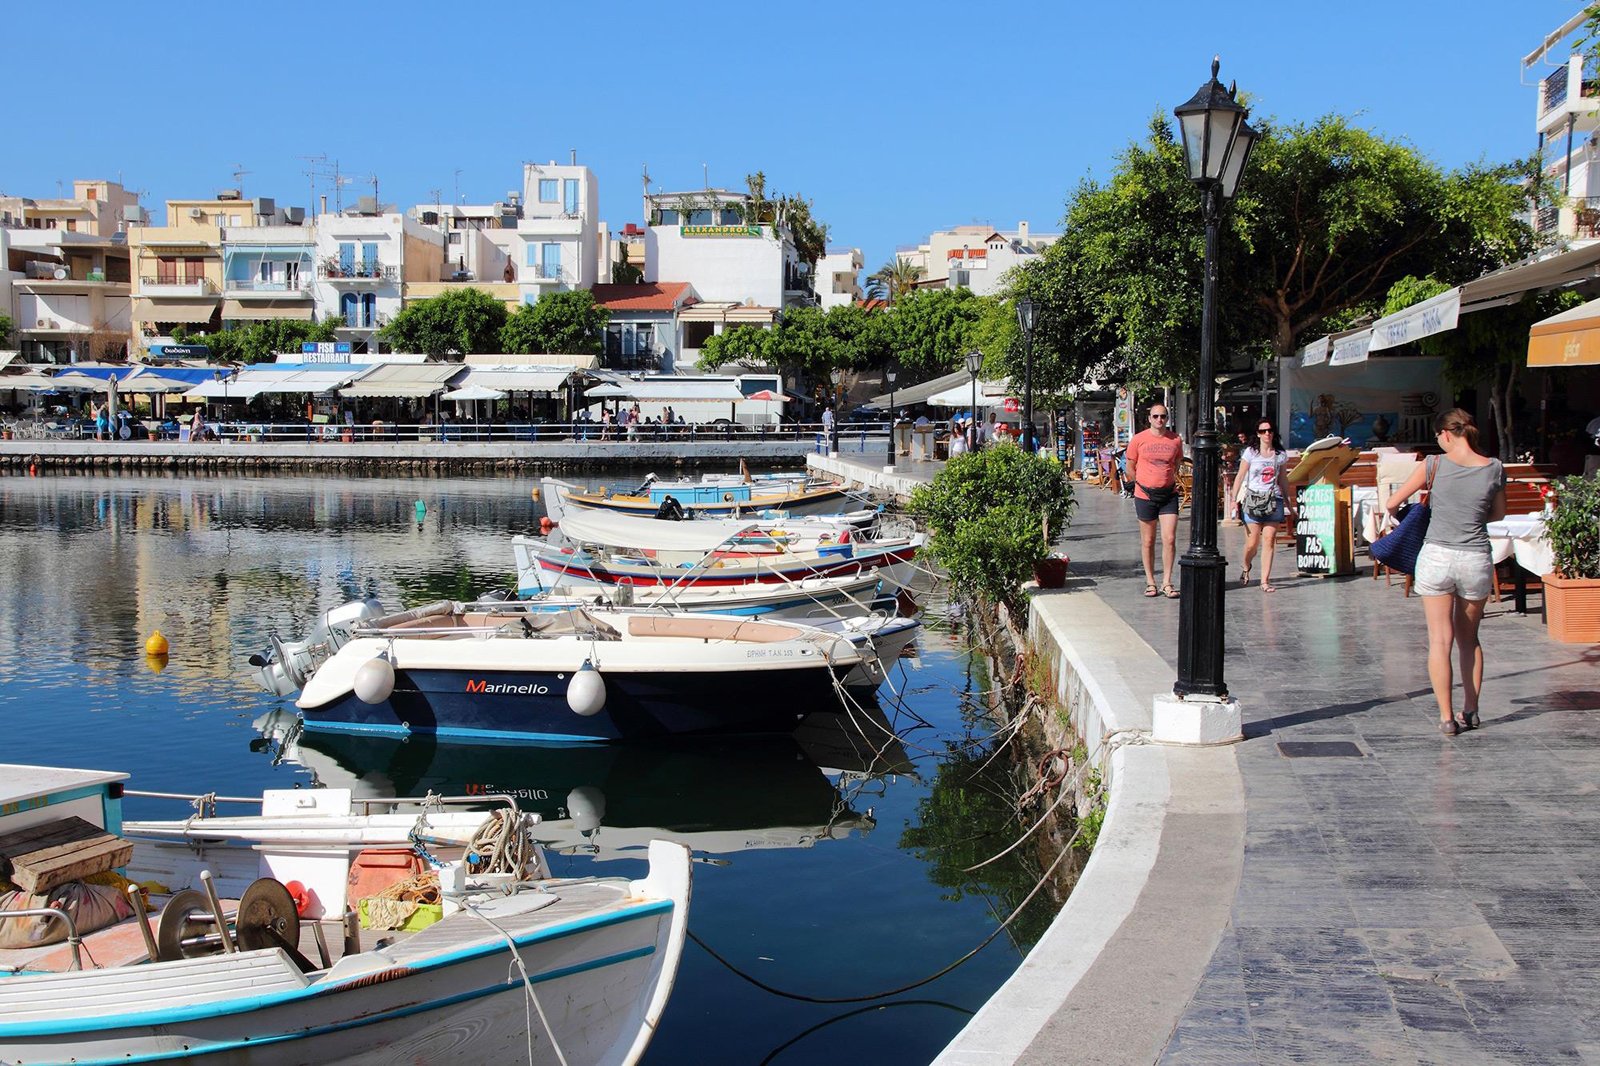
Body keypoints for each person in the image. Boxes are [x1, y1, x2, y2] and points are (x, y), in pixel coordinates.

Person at [1384, 409, 1506, 737]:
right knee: (1470, 639)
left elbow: (1393, 502)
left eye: (1438, 436)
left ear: (1447, 434)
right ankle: (1472, 710)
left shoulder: (1433, 465)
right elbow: (1497, 514)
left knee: (1440, 640)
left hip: (1437, 556)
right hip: (1475, 557)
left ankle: (1447, 717)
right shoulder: (1494, 468)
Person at [1126, 404, 1184, 598]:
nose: (1160, 420)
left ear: (1167, 418)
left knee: (1170, 538)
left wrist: (1168, 478)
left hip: (1169, 494)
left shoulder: (1175, 440)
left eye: (1163, 416)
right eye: (1156, 416)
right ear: (1149, 418)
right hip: (1145, 494)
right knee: (1148, 540)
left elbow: (1177, 463)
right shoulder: (1139, 439)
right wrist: (1139, 483)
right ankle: (1151, 582)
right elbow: (1130, 465)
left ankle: (1167, 582)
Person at [1231, 419, 1296, 593]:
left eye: (1270, 430)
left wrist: (1288, 502)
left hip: (1273, 499)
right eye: (1263, 431)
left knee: (1269, 540)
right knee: (1252, 543)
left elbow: (1283, 479)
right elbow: (1240, 475)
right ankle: (1246, 565)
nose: (1267, 434)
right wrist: (1234, 499)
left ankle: (1265, 580)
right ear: (1258, 434)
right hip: (1253, 499)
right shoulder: (1251, 452)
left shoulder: (1280, 454)